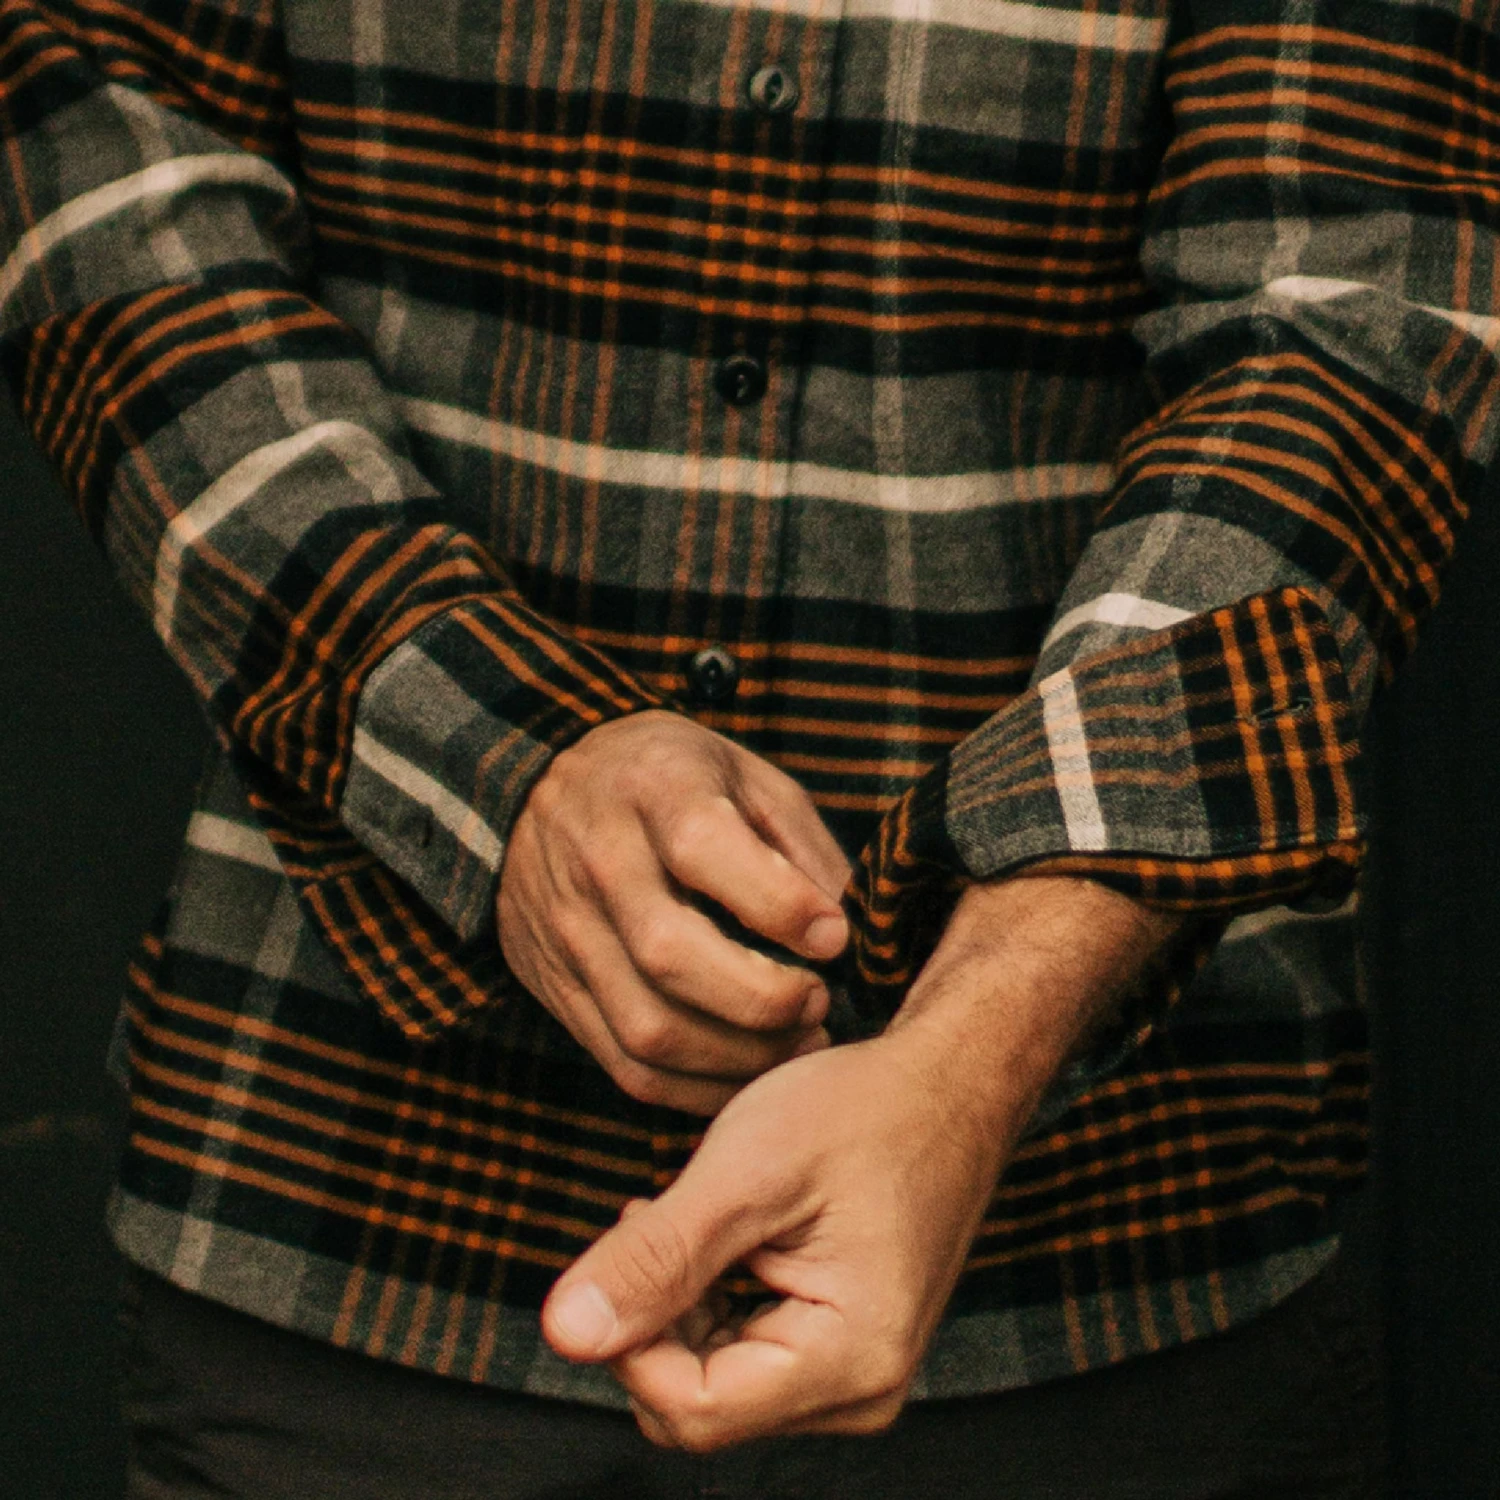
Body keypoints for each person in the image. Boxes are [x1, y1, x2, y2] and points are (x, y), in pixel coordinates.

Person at [0, 0, 1493, 1493]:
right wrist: (498, 760)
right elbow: (103, 165)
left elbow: (1351, 318)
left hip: (1109, 1243)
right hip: (354, 1202)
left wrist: (977, 1044)